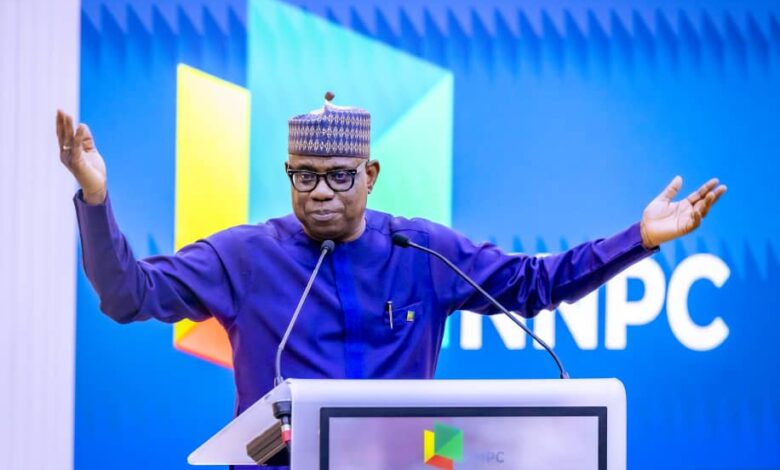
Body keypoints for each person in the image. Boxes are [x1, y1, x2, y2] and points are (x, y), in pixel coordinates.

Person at [56, 92, 726, 419]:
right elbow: (128, 294)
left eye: (338, 177)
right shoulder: (247, 256)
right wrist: (95, 197)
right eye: (303, 176)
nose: (320, 192)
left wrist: (638, 240)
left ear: (370, 175)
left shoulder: (421, 252)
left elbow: (534, 285)